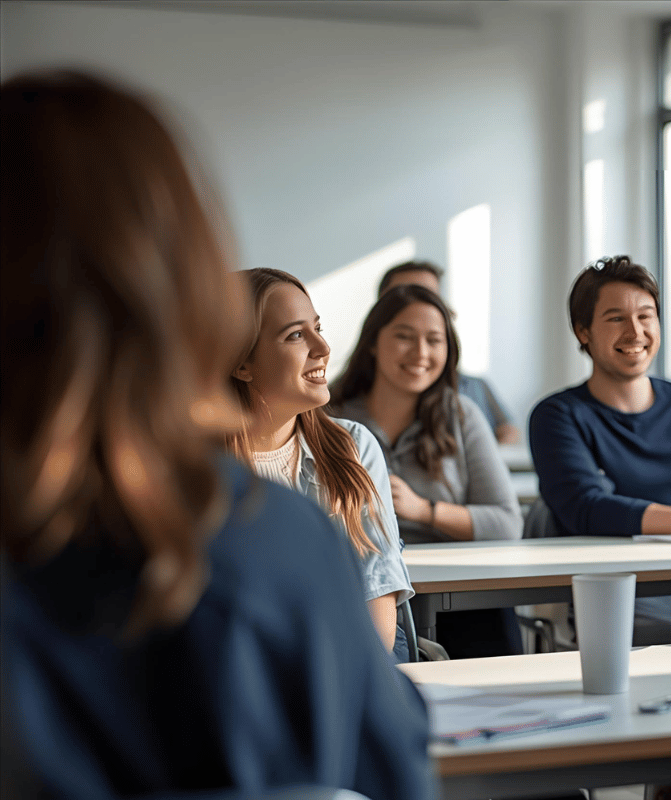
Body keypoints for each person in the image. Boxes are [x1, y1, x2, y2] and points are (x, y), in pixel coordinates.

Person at [0, 70, 433, 799]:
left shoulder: (307, 493)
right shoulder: (269, 539)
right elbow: (388, 772)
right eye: (294, 335)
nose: (320, 348)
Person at [529, 255, 671, 645]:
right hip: (618, 597)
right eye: (616, 318)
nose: (635, 331)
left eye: (646, 316)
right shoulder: (558, 416)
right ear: (583, 331)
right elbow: (586, 508)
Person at [228, 268, 415, 661]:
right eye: (295, 335)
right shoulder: (198, 467)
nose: (323, 347)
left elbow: (378, 601)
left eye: (317, 328)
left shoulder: (354, 447)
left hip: (355, 657)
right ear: (242, 363)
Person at [330, 283, 523, 658]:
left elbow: (507, 522)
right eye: (404, 336)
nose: (420, 352)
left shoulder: (461, 414)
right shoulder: (330, 418)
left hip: (460, 598)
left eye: (434, 340)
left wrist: (424, 510)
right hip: (361, 589)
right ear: (372, 343)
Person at [378, 260, 520, 444]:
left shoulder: (473, 391)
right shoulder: (349, 403)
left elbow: (509, 429)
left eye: (428, 296)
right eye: (402, 296)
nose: (416, 305)